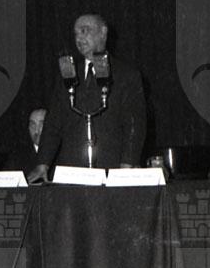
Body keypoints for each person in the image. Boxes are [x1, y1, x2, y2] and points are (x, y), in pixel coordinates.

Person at [28, 14, 146, 182]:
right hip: (71, 172)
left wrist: (127, 164)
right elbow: (53, 122)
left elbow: (135, 123)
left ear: (103, 32)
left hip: (111, 168)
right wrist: (43, 164)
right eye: (76, 34)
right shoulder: (68, 73)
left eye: (85, 31)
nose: (79, 38)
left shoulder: (126, 75)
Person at [4, 108, 46, 175]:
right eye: (32, 125)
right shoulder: (17, 156)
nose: (36, 131)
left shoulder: (60, 154)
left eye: (41, 124)